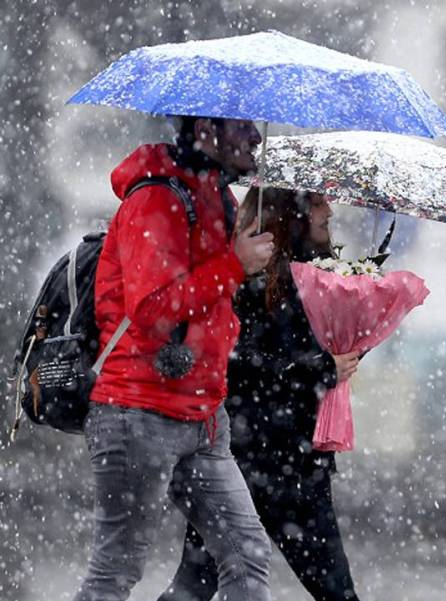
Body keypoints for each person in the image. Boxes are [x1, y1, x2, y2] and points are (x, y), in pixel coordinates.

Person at [75, 117, 276, 601]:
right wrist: (234, 265)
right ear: (206, 128)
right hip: (138, 412)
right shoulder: (157, 199)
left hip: (204, 416)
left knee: (248, 557)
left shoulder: (217, 198)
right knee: (115, 573)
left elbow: (213, 299)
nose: (255, 136)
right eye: (241, 126)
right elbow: (152, 309)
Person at [158, 187, 363, 601]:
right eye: (319, 201)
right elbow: (239, 366)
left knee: (195, 587)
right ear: (292, 213)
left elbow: (297, 361)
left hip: (294, 465)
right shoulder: (250, 280)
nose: (329, 210)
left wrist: (351, 343)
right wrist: (322, 368)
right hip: (250, 462)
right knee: (194, 586)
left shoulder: (319, 278)